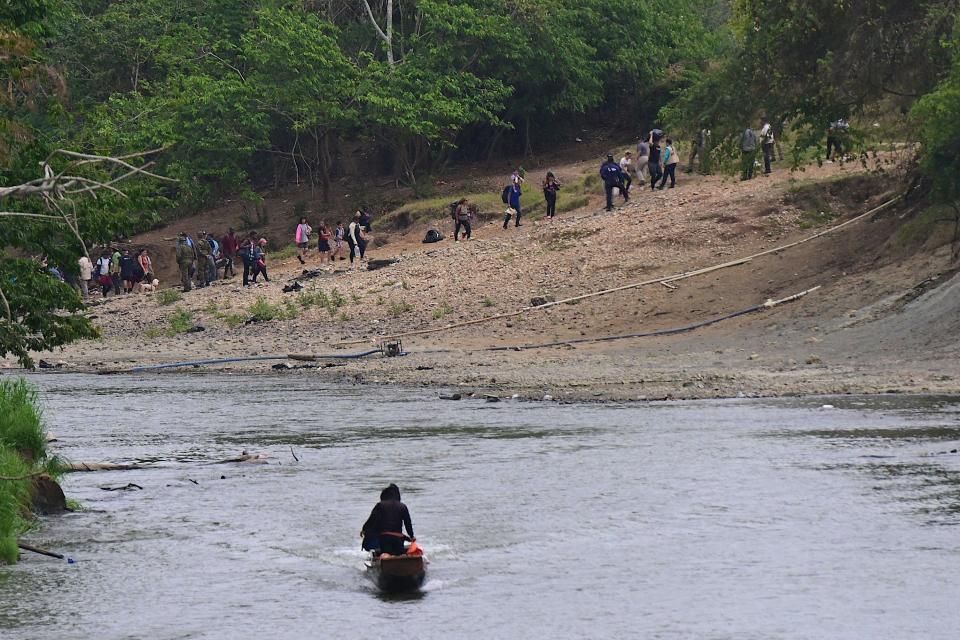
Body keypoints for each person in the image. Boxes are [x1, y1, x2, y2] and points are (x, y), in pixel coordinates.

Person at [361, 483, 415, 556]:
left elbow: (372, 520)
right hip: (398, 539)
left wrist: (364, 529)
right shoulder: (402, 506)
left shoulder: (380, 505)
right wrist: (411, 536)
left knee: (386, 555)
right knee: (398, 555)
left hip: (385, 539)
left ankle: (384, 561)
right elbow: (408, 523)